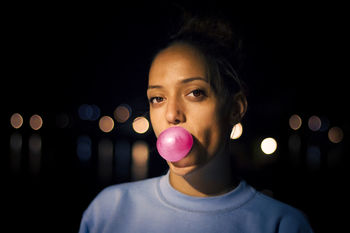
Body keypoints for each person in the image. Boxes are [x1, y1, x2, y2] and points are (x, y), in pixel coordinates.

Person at [78, 11, 314, 233]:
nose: (172, 115)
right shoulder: (108, 211)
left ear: (235, 109)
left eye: (195, 93)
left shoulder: (283, 225)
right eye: (158, 98)